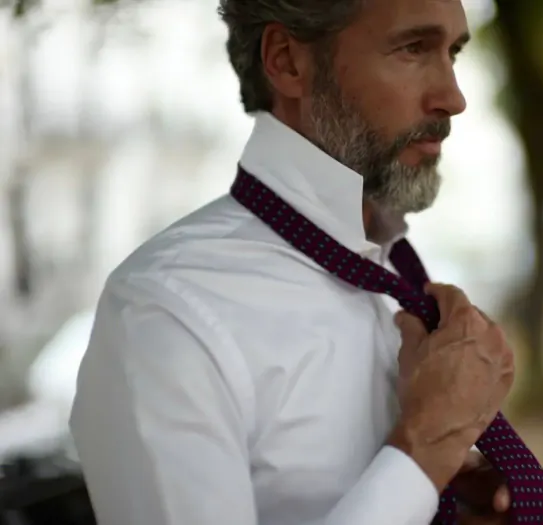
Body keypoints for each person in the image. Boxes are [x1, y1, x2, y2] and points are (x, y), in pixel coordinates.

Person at [69, 0, 518, 524]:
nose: (453, 97)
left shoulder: (391, 271)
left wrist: (440, 498)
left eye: (453, 53)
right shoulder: (164, 313)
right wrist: (426, 449)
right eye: (413, 49)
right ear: (286, 60)